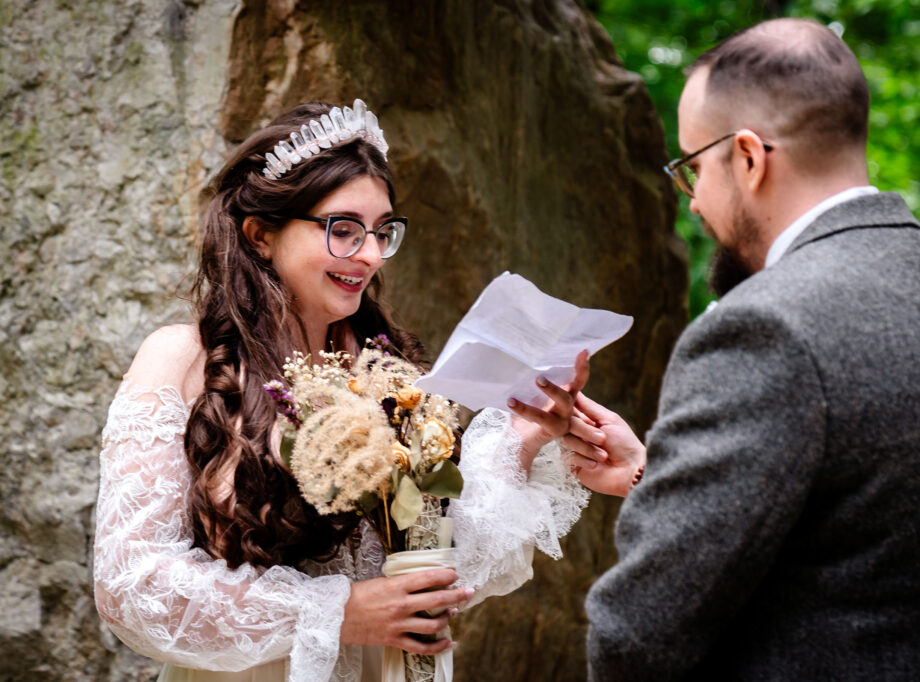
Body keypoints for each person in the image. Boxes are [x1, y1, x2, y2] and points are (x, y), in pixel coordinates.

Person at [568, 18, 920, 681]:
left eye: (694, 168)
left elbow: (636, 635)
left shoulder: (764, 329)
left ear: (749, 157)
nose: (693, 203)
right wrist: (654, 473)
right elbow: (858, 543)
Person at [93, 100, 600, 682]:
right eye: (342, 229)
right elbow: (130, 584)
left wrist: (526, 435)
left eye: (382, 231)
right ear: (260, 235)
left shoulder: (393, 372)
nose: (368, 254)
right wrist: (337, 613)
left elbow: (446, 564)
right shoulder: (184, 359)